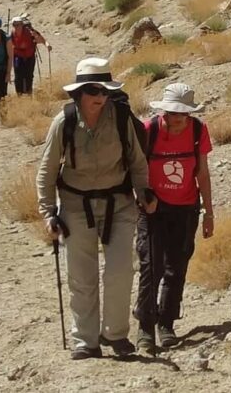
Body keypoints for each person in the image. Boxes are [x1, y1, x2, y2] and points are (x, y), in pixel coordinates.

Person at [36, 58, 155, 360]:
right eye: (93, 91)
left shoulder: (120, 117)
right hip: (76, 205)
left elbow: (138, 162)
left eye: (104, 90)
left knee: (120, 271)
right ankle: (86, 340)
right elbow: (47, 171)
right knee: (81, 276)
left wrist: (144, 193)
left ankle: (115, 334)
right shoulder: (63, 122)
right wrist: (49, 213)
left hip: (119, 203)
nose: (100, 97)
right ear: (79, 93)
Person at [134, 82, 214, 353]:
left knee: (176, 267)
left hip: (186, 207)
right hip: (153, 208)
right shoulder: (149, 130)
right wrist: (145, 199)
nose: (177, 118)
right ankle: (145, 326)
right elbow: (137, 170)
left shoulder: (197, 130)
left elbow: (202, 172)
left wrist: (208, 212)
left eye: (182, 113)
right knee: (150, 265)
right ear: (164, 112)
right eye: (172, 113)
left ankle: (166, 323)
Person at [10, 15, 49, 95]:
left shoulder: (30, 32)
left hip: (29, 56)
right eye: (15, 25)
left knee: (29, 76)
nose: (17, 27)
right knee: (18, 76)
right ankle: (19, 95)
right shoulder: (12, 34)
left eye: (19, 24)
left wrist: (47, 45)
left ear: (22, 24)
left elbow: (41, 38)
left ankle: (29, 94)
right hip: (18, 56)